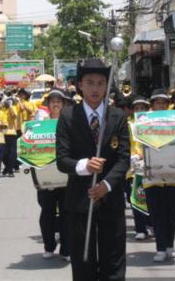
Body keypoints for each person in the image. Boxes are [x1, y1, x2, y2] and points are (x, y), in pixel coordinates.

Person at [56, 59, 130, 281]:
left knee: (113, 264)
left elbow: (123, 159)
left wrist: (106, 185)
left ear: (107, 86)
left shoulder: (118, 117)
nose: (95, 88)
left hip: (111, 200)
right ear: (80, 85)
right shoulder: (68, 116)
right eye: (90, 82)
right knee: (83, 265)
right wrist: (85, 166)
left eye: (100, 83)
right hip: (80, 201)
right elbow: (62, 160)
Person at [138, 89, 175, 263]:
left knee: (172, 213)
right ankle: (160, 247)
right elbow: (137, 144)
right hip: (153, 177)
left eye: (164, 102)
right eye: (157, 102)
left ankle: (170, 246)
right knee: (157, 214)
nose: (161, 105)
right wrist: (137, 157)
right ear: (152, 105)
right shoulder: (144, 122)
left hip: (174, 176)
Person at [32, 88, 71, 261]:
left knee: (67, 212)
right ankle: (49, 246)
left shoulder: (70, 122)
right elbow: (30, 146)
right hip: (45, 175)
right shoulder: (39, 124)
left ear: (63, 104)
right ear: (48, 104)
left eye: (59, 101)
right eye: (53, 101)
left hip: (66, 176)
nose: (56, 104)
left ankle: (66, 249)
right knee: (47, 212)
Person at [128, 95, 153, 241]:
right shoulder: (128, 125)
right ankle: (140, 228)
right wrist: (132, 156)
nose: (139, 111)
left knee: (151, 199)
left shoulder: (152, 124)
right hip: (133, 167)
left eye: (142, 108)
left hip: (151, 166)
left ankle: (151, 224)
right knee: (136, 198)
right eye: (136, 108)